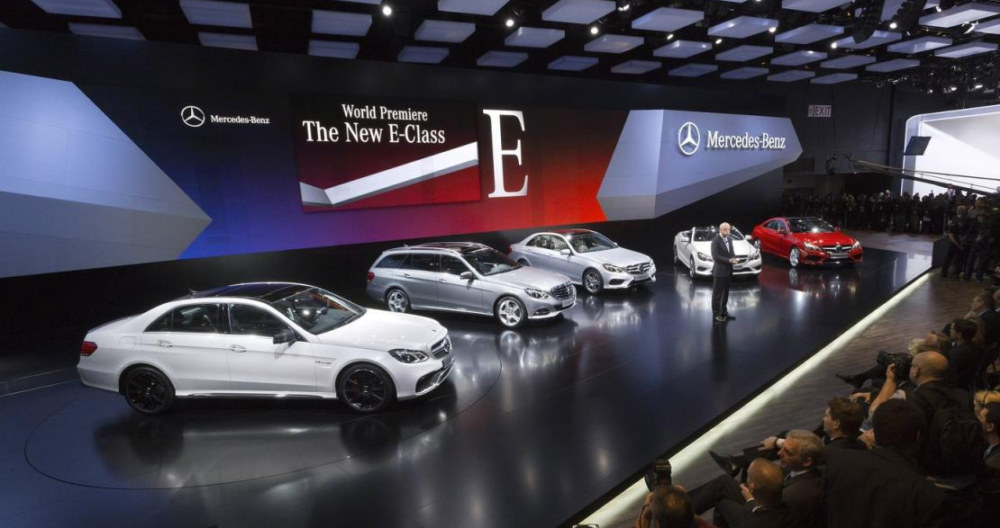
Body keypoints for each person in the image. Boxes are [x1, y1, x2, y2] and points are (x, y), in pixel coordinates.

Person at [711, 222, 738, 324]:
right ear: (720, 230)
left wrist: (734, 258)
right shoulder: (715, 241)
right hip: (719, 272)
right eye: (725, 230)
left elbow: (731, 252)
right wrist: (729, 260)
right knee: (717, 295)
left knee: (725, 294)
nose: (728, 231)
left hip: (728, 271)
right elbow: (716, 256)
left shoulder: (730, 239)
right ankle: (716, 315)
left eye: (729, 230)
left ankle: (724, 312)